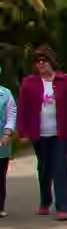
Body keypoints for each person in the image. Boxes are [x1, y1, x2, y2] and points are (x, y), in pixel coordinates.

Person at [16, 45, 67, 220]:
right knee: (44, 169)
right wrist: (22, 132)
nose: (41, 64)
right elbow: (22, 108)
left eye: (44, 60)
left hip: (61, 133)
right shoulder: (29, 83)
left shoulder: (66, 81)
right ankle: (45, 202)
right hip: (40, 134)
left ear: (51, 61)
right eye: (37, 62)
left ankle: (63, 207)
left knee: (61, 168)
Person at [0, 65, 15, 218]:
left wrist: (7, 132)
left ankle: (0, 206)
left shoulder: (6, 94)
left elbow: (11, 115)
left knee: (0, 175)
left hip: (1, 140)